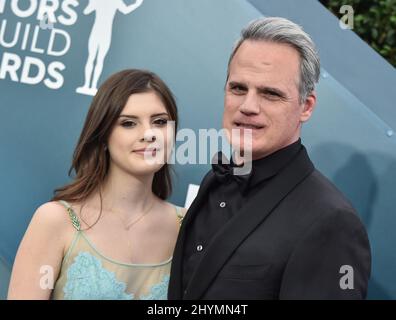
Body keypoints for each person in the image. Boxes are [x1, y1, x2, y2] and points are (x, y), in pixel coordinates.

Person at [168, 17, 371, 300]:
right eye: (238, 88)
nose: (248, 106)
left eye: (270, 93)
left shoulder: (331, 221)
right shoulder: (213, 181)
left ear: (306, 107)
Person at [8, 69, 185, 300]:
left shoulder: (188, 225)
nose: (149, 134)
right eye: (129, 123)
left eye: (160, 122)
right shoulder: (56, 221)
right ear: (102, 136)